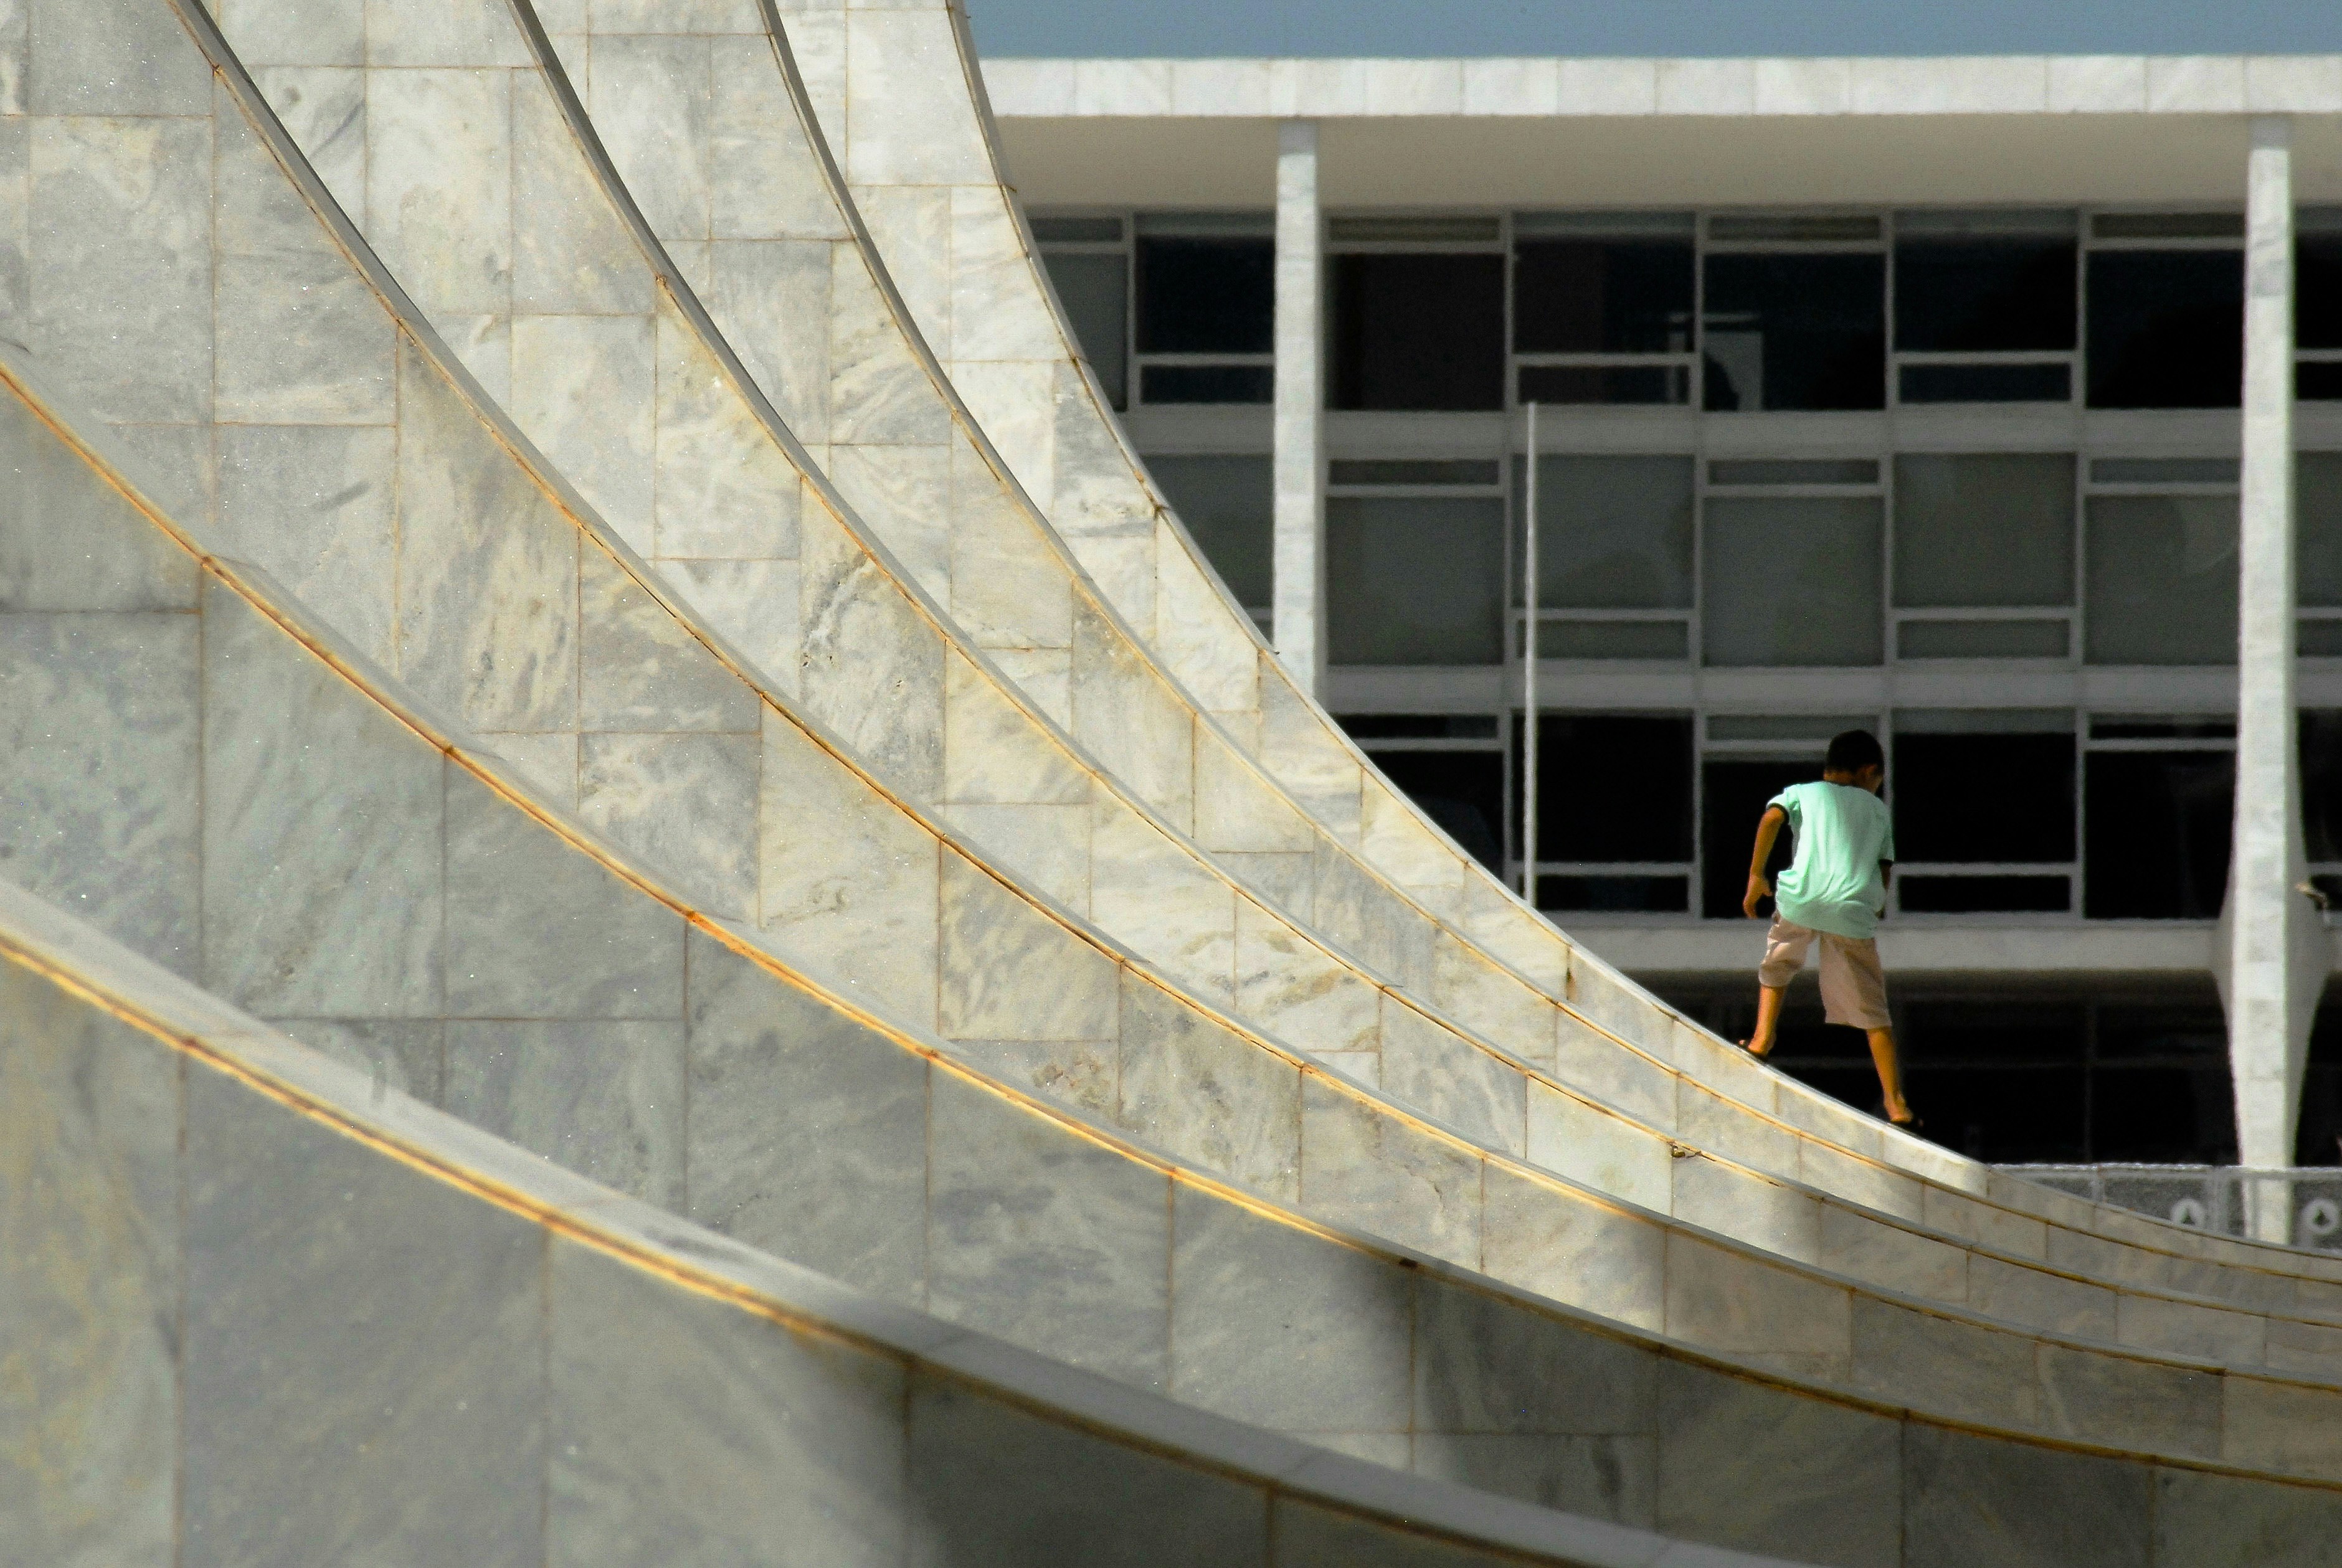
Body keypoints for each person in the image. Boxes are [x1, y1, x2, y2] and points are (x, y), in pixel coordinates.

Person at [1738, 729, 1917, 1130]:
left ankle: (1762, 1039)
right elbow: (1884, 868)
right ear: (1869, 771)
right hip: (1852, 911)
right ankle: (1896, 1103)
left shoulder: (1802, 792)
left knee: (1778, 964)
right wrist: (1874, 908)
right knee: (1873, 1009)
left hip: (1801, 900)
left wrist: (1756, 876)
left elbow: (1771, 818)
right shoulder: (1878, 810)